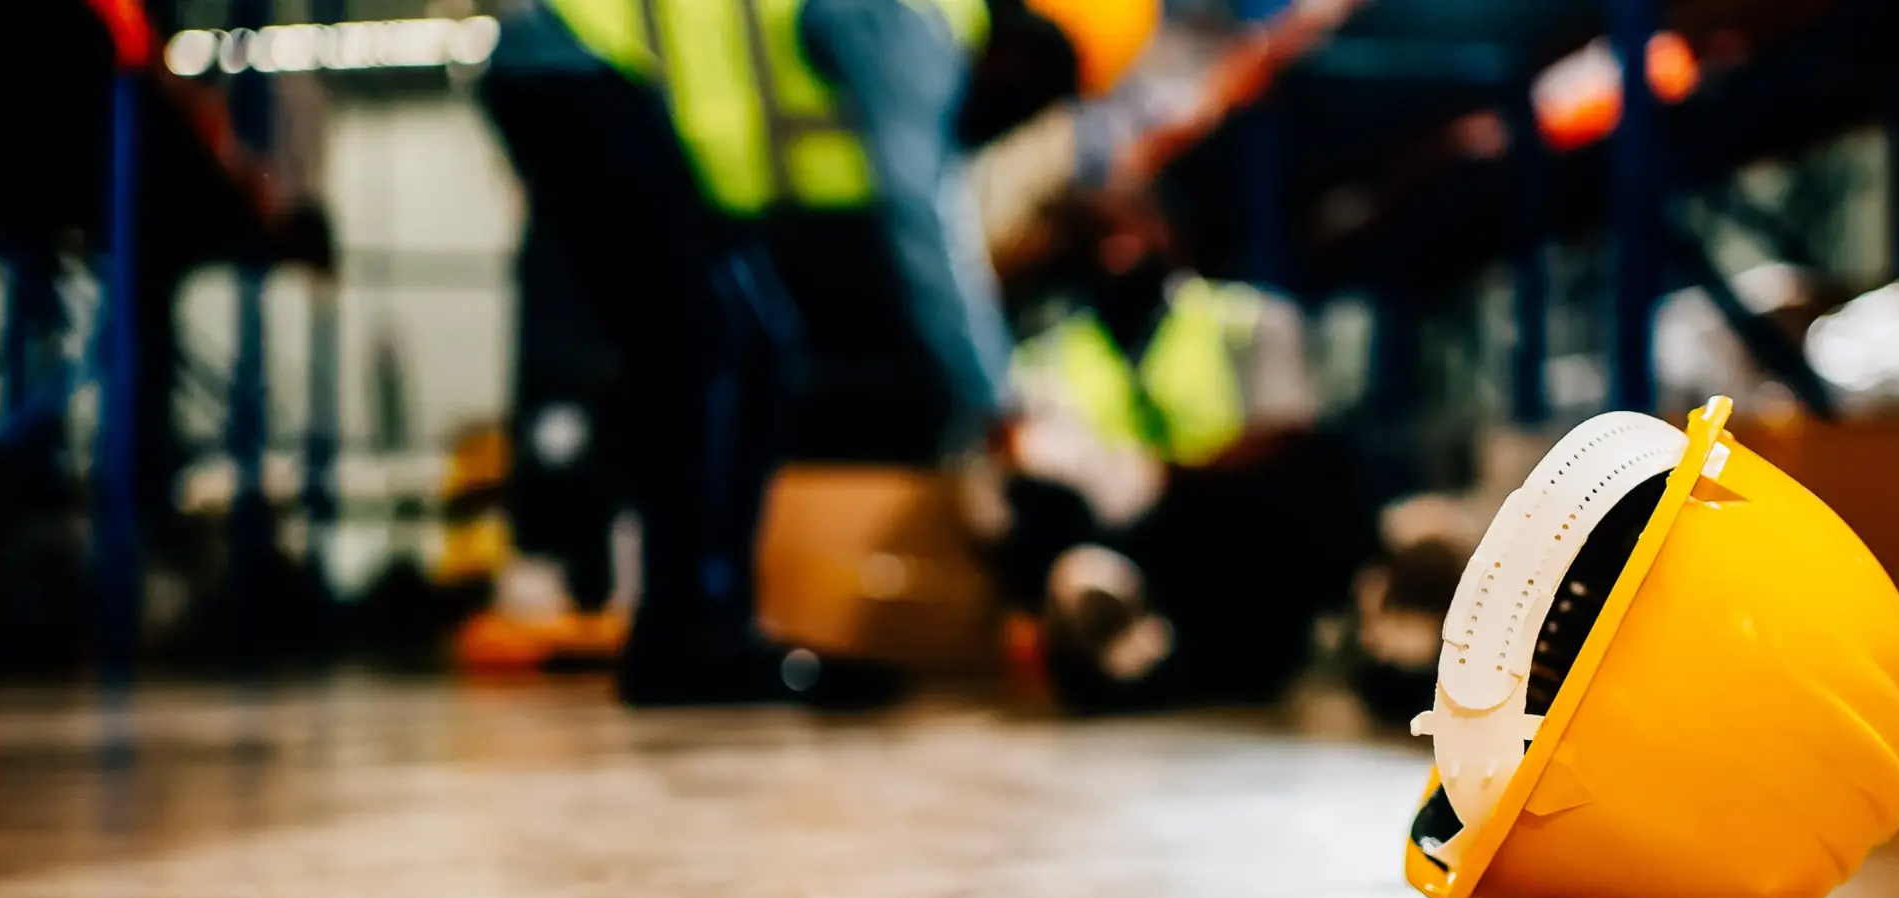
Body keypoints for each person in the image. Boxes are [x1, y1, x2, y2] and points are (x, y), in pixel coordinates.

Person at [482, 0, 1153, 706]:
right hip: (579, 58)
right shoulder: (910, 24)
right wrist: (992, 401)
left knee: (753, 340)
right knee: (702, 343)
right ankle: (689, 638)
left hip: (607, 80)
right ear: (1026, 49)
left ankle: (709, 625)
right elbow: (919, 220)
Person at [972, 194, 1368, 710]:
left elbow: (1289, 434)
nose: (1112, 251)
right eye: (1090, 235)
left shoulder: (1248, 320)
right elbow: (1015, 453)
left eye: (1126, 229)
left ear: (1168, 232)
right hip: (1122, 535)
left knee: (1319, 475)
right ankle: (1108, 628)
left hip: (1225, 532)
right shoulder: (1048, 355)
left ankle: (1377, 621)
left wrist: (1162, 475)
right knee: (1031, 500)